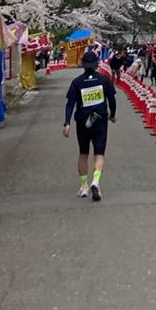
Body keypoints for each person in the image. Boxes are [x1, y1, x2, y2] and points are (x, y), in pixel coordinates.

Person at [62, 50, 117, 200]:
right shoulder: (104, 80)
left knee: (83, 153)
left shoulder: (77, 82)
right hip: (99, 119)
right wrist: (112, 114)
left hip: (83, 121)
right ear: (97, 64)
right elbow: (112, 100)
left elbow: (70, 103)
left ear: (83, 64)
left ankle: (84, 186)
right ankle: (96, 181)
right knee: (99, 153)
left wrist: (67, 123)